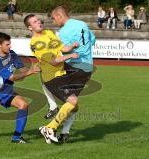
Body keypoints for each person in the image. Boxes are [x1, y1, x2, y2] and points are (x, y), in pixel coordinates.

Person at [24, 14, 80, 144]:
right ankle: (50, 128)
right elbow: (54, 61)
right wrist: (71, 55)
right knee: (72, 101)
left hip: (62, 73)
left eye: (38, 19)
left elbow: (61, 48)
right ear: (29, 28)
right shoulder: (35, 44)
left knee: (74, 106)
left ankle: (62, 131)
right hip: (51, 77)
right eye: (34, 21)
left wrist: (71, 46)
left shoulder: (48, 32)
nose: (39, 22)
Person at [50, 6, 96, 142]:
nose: (54, 22)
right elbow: (93, 40)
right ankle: (65, 133)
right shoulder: (82, 24)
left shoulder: (63, 32)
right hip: (87, 68)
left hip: (73, 67)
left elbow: (62, 51)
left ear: (59, 16)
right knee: (71, 101)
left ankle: (52, 114)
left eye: (54, 18)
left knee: (48, 81)